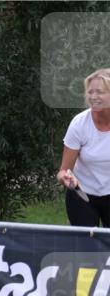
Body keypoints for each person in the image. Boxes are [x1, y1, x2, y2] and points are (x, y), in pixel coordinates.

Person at [57, 68, 110, 228]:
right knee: (87, 251)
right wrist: (66, 178)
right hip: (82, 195)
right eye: (90, 92)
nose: (93, 97)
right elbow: (63, 171)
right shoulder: (79, 123)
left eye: (99, 92)